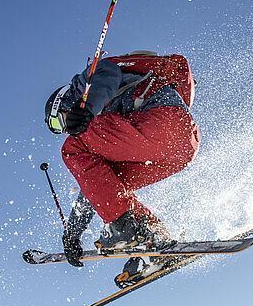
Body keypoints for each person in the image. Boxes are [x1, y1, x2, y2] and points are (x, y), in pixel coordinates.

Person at [43, 52, 199, 269]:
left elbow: (108, 74)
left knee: (72, 148)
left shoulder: (83, 86)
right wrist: (73, 231)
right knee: (112, 186)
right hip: (182, 146)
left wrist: (87, 109)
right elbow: (96, 186)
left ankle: (123, 226)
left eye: (59, 122)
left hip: (161, 121)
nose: (65, 129)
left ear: (62, 103)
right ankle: (153, 237)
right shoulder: (106, 128)